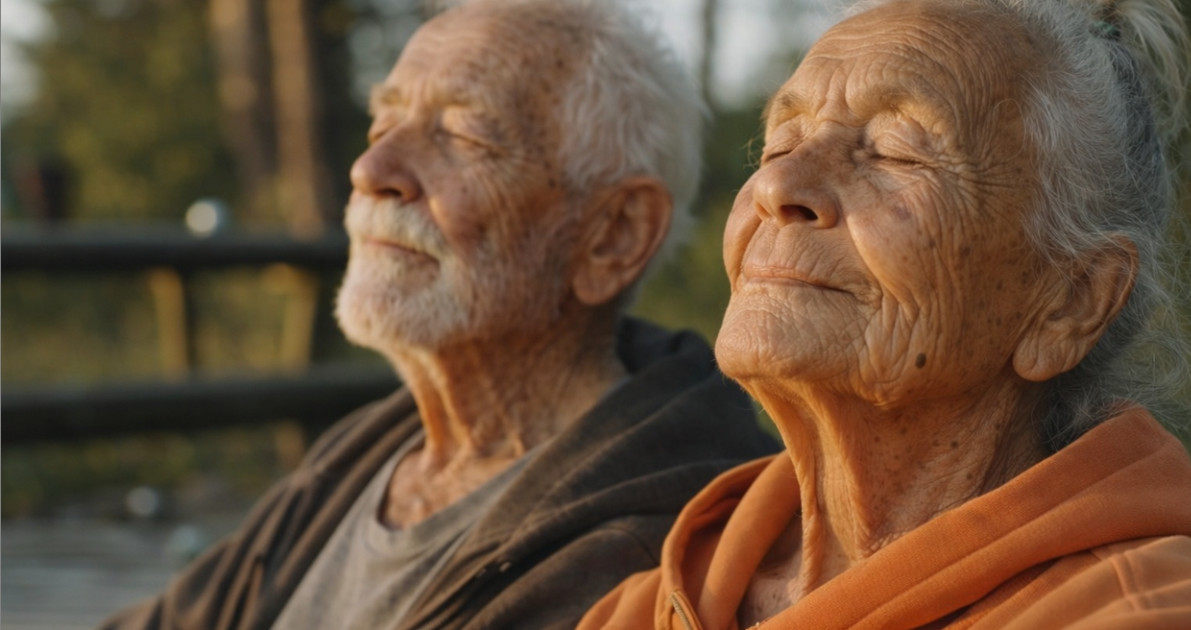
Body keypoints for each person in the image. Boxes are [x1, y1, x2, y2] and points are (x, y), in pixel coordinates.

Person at [99, 1, 778, 628]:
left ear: (614, 236)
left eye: (461, 136)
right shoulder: (378, 450)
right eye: (383, 123)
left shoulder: (660, 543)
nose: (373, 168)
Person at [578, 0, 1191, 627]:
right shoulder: (645, 604)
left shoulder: (1139, 613)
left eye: (896, 149)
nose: (779, 187)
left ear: (1070, 303)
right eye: (779, 144)